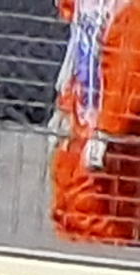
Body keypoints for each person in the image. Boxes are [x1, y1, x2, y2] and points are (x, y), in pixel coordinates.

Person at [52, 0, 140, 244]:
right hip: (84, 129)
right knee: (79, 210)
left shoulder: (130, 13)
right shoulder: (91, 6)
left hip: (109, 152)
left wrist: (107, 130)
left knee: (101, 220)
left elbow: (128, 73)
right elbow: (79, 54)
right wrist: (65, 106)